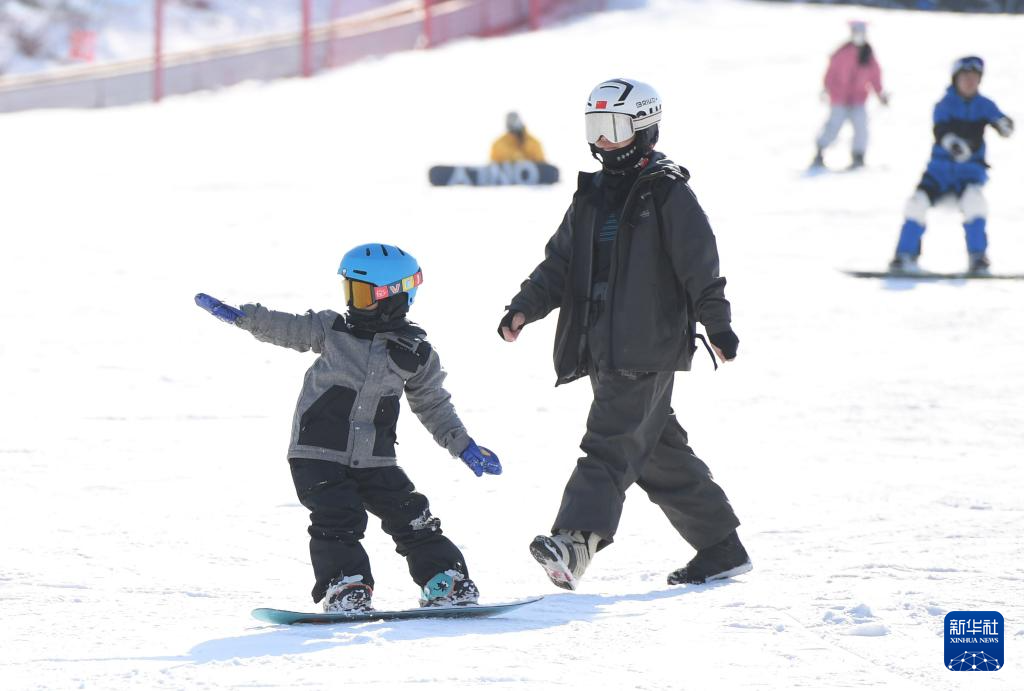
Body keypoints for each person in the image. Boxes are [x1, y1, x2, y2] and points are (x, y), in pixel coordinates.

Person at [497, 78, 750, 591]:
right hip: (601, 344)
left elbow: (700, 265)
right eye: (595, 128)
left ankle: (574, 542)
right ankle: (721, 548)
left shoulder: (667, 192)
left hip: (646, 345)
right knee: (656, 452)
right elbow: (560, 263)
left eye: (614, 128)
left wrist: (717, 323)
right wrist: (525, 306)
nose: (603, 141)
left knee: (610, 445)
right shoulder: (592, 195)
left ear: (645, 128)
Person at [194, 243, 502, 613]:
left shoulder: (416, 352)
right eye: (350, 291)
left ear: (393, 297)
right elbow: (286, 327)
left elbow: (433, 404)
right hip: (317, 453)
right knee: (337, 518)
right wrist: (244, 317)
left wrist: (463, 444)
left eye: (363, 295)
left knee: (412, 516)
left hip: (375, 458)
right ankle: (346, 586)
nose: (354, 303)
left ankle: (445, 580)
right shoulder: (331, 330)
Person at [889, 56, 1014, 275]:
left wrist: (1005, 125)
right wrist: (952, 144)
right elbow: (940, 131)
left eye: (974, 78)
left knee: (975, 202)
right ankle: (904, 256)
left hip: (969, 174)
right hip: (939, 173)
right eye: (965, 77)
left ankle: (978, 258)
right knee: (916, 203)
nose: (969, 82)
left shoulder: (984, 105)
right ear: (955, 79)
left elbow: (1001, 122)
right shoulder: (945, 104)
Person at [812, 20, 888, 170]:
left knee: (861, 127)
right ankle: (820, 152)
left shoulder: (868, 54)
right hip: (839, 98)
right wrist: (826, 88)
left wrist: (880, 94)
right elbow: (831, 74)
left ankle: (858, 156)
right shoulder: (842, 52)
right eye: (856, 32)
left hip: (858, 99)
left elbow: (875, 76)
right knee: (833, 126)